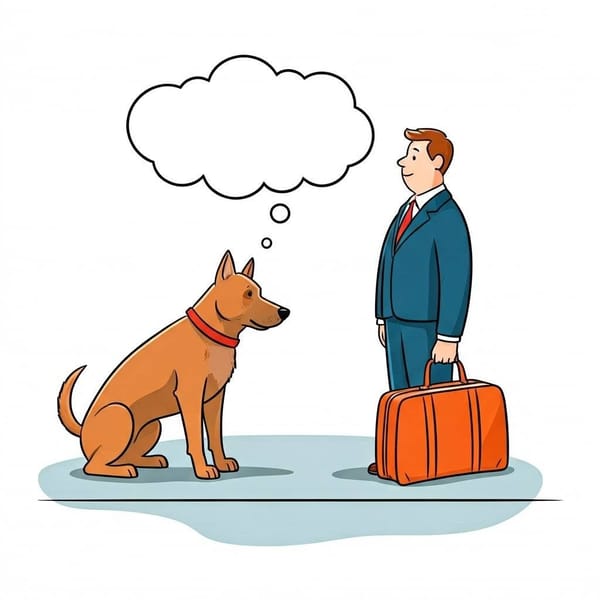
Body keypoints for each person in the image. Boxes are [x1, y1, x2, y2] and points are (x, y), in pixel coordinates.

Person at [369, 128, 472, 475]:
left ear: (437, 163)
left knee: (432, 396)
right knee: (401, 394)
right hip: (397, 322)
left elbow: (457, 278)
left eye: (414, 156)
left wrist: (449, 336)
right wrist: (382, 314)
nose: (404, 162)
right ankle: (402, 455)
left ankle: (439, 459)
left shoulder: (447, 216)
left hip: (429, 327)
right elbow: (387, 262)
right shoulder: (405, 210)